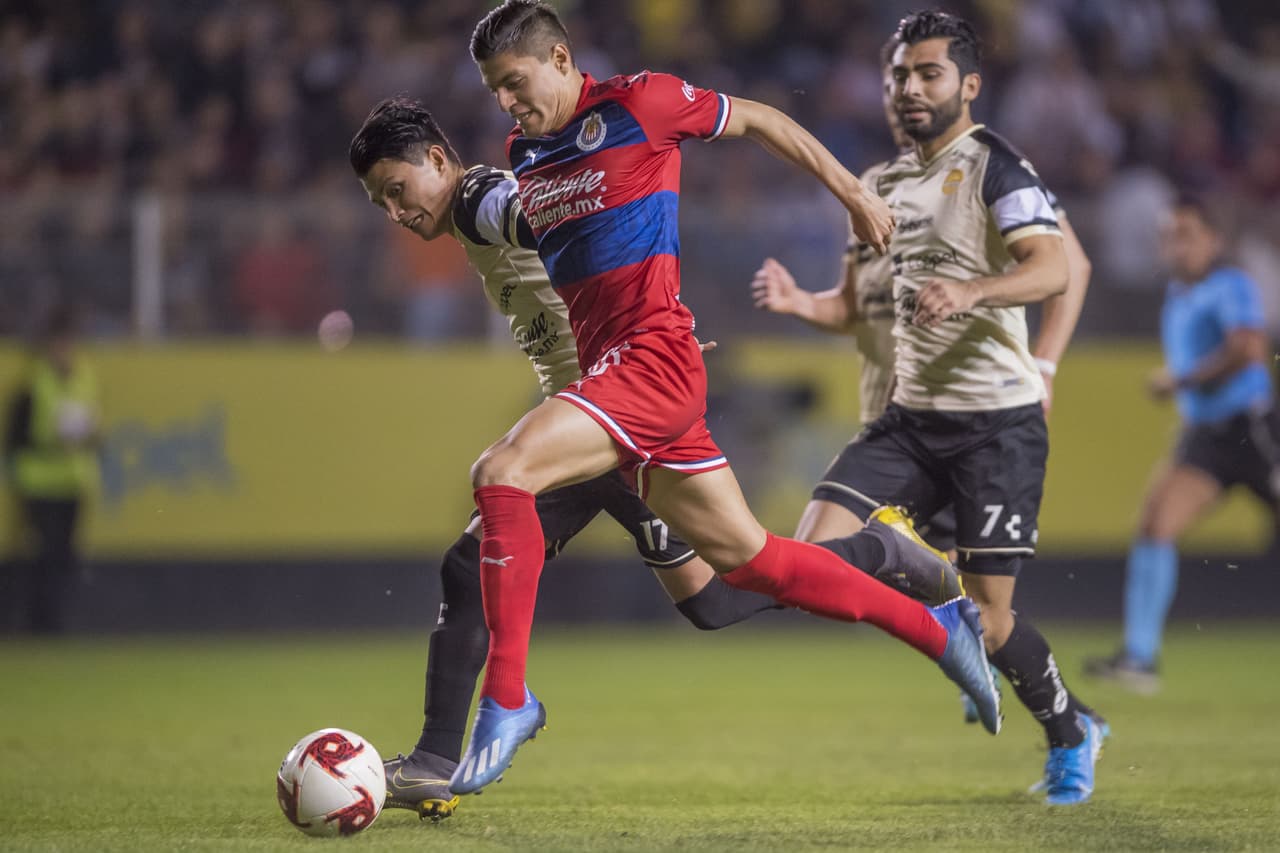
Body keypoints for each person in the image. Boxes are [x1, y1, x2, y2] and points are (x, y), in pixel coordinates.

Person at [346, 97, 964, 819]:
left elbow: (558, 224)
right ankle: (880, 549)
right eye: (381, 202)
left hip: (611, 418)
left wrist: (642, 329)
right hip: (595, 424)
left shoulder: (485, 199)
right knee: (714, 597)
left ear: (441, 162)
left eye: (398, 189)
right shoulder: (475, 210)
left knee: (503, 560)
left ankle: (440, 756)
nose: (396, 210)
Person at [451, 0, 1002, 797]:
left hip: (648, 365)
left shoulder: (642, 103)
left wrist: (851, 193)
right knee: (753, 565)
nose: (506, 101)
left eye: (514, 81)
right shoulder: (526, 153)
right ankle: (937, 628)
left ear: (562, 60)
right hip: (633, 372)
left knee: (502, 471)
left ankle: (506, 698)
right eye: (494, 89)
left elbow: (762, 120)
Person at [749, 11, 1102, 806]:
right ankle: (919, 574)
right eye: (899, 75)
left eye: (929, 74)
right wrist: (801, 304)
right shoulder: (876, 187)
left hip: (996, 428)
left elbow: (1052, 267)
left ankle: (1072, 731)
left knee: (993, 622)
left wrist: (978, 293)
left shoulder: (997, 167)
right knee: (806, 564)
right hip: (910, 420)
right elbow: (853, 307)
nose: (910, 88)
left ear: (969, 86)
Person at [1084, 196, 1279, 694]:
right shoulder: (1178, 291)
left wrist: (1182, 381)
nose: (1175, 245)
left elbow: (1249, 349)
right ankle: (1139, 657)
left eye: (1187, 234)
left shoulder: (1229, 284)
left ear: (1213, 239)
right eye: (1170, 235)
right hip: (1207, 439)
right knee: (1155, 525)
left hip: (1253, 431)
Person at [2, 305, 101, 634]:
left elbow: (94, 428)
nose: (65, 349)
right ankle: (36, 622)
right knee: (40, 554)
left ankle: (55, 621)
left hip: (73, 479)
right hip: (39, 481)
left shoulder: (85, 375)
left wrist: (88, 436)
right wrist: (52, 442)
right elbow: (16, 436)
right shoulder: (34, 382)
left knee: (64, 555)